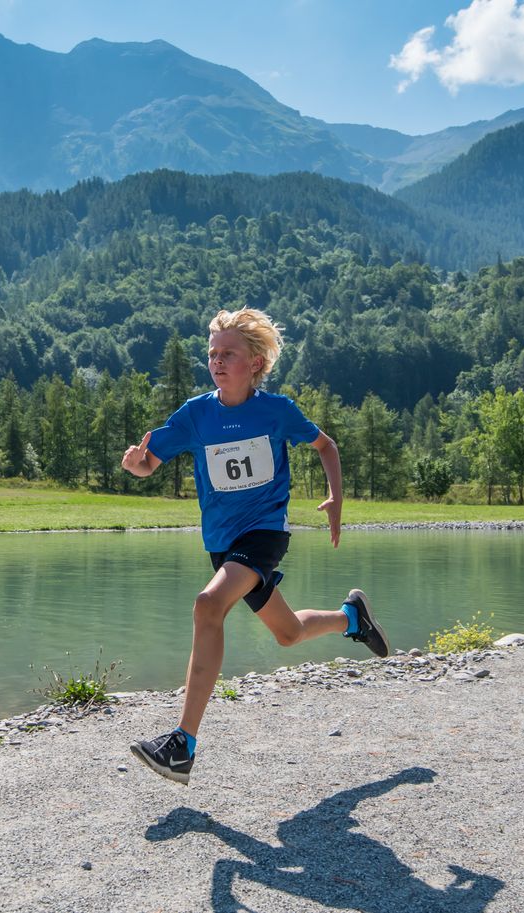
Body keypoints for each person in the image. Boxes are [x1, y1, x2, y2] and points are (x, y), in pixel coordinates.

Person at [121, 307, 390, 785]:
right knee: (287, 633)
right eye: (212, 353)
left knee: (208, 606)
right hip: (222, 543)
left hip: (264, 533)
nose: (217, 361)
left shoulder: (277, 411)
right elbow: (149, 464)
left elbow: (326, 446)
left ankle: (183, 744)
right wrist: (136, 464)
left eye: (229, 354)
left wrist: (335, 497)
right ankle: (353, 618)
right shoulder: (196, 414)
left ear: (257, 363)